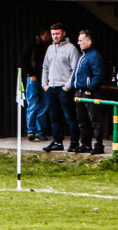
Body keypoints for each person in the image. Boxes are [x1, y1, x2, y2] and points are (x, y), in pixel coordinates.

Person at [41, 22, 81, 153]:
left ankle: (74, 142)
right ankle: (57, 141)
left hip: (64, 88)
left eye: (57, 33)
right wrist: (44, 84)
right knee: (54, 116)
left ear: (63, 33)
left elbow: (76, 69)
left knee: (69, 116)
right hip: (51, 88)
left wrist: (67, 86)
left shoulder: (71, 49)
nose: (55, 36)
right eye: (53, 34)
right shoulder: (50, 49)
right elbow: (45, 67)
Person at [71, 29, 105, 154]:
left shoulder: (94, 56)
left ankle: (99, 145)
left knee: (95, 120)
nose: (78, 43)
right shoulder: (82, 56)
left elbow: (98, 75)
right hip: (79, 93)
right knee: (82, 121)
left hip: (89, 93)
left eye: (81, 40)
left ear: (89, 41)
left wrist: (90, 89)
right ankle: (85, 144)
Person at [19, 28, 51, 141]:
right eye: (49, 34)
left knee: (44, 104)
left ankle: (39, 130)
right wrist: (31, 73)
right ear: (44, 34)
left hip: (45, 78)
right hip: (33, 77)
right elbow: (23, 59)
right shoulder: (32, 43)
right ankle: (31, 130)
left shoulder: (49, 45)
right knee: (33, 103)